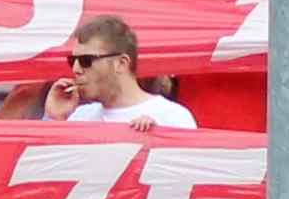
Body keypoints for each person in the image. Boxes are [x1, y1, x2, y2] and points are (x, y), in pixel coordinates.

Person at [51, 16, 192, 128]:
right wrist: (57, 119)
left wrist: (157, 140)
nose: (75, 69)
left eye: (86, 60)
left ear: (121, 63)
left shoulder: (173, 117)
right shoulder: (80, 117)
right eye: (72, 60)